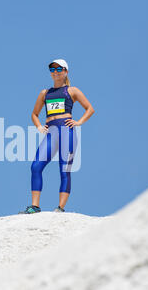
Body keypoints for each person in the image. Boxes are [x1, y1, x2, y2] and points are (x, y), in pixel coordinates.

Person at [20, 59, 95, 214]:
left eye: (59, 69)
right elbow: (34, 114)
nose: (55, 72)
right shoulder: (45, 93)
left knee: (64, 169)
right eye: (52, 70)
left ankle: (60, 208)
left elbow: (90, 108)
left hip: (67, 131)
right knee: (35, 166)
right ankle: (35, 206)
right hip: (51, 133)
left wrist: (79, 122)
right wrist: (39, 126)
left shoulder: (72, 91)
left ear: (66, 71)